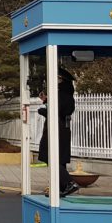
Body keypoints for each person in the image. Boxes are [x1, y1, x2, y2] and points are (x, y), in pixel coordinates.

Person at [35, 66, 79, 197]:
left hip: (56, 129)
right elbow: (61, 107)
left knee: (51, 157)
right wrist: (47, 100)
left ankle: (69, 183)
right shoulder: (68, 95)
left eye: (57, 78)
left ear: (61, 80)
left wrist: (42, 110)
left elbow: (54, 111)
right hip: (64, 129)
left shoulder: (59, 94)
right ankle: (60, 187)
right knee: (60, 160)